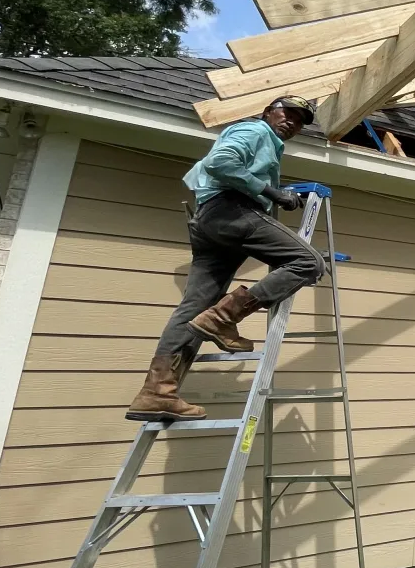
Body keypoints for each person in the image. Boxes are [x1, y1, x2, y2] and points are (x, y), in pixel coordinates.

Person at [125, 95, 326, 422]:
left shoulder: (268, 143)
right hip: (232, 211)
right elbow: (220, 163)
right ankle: (221, 320)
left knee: (194, 308)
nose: (293, 121)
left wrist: (274, 193)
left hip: (210, 220)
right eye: (287, 112)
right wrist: (274, 193)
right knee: (309, 263)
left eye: (300, 120)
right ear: (267, 112)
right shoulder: (256, 130)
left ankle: (156, 392)